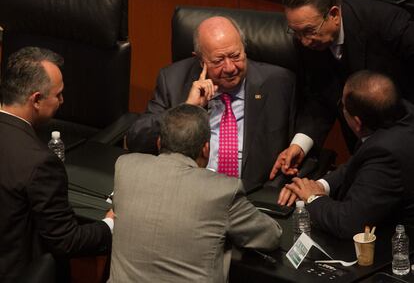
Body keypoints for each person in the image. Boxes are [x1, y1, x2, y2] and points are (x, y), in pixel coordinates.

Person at [108, 103, 282, 282]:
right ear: (206, 149)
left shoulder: (126, 167)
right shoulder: (222, 191)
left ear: (159, 142)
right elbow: (270, 236)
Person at [127, 16, 296, 192]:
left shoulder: (279, 82)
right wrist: (186, 109)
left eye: (235, 56)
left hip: (253, 196)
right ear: (200, 60)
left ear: (244, 49)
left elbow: (301, 152)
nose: (230, 67)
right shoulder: (173, 80)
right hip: (189, 191)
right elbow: (137, 140)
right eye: (218, 61)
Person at [270, 0, 414, 179]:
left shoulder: (387, 22)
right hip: (361, 144)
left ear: (334, 15)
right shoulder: (309, 43)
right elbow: (319, 97)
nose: (304, 41)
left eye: (309, 31)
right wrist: (299, 145)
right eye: (297, 33)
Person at [0, 47, 113, 282]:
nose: (62, 100)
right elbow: (67, 241)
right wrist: (110, 224)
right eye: (58, 94)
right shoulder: (39, 163)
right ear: (37, 99)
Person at [278, 70, 414, 239]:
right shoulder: (404, 113)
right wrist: (319, 185)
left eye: (342, 105)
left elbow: (350, 223)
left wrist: (313, 198)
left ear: (357, 123)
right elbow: (355, 165)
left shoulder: (386, 154)